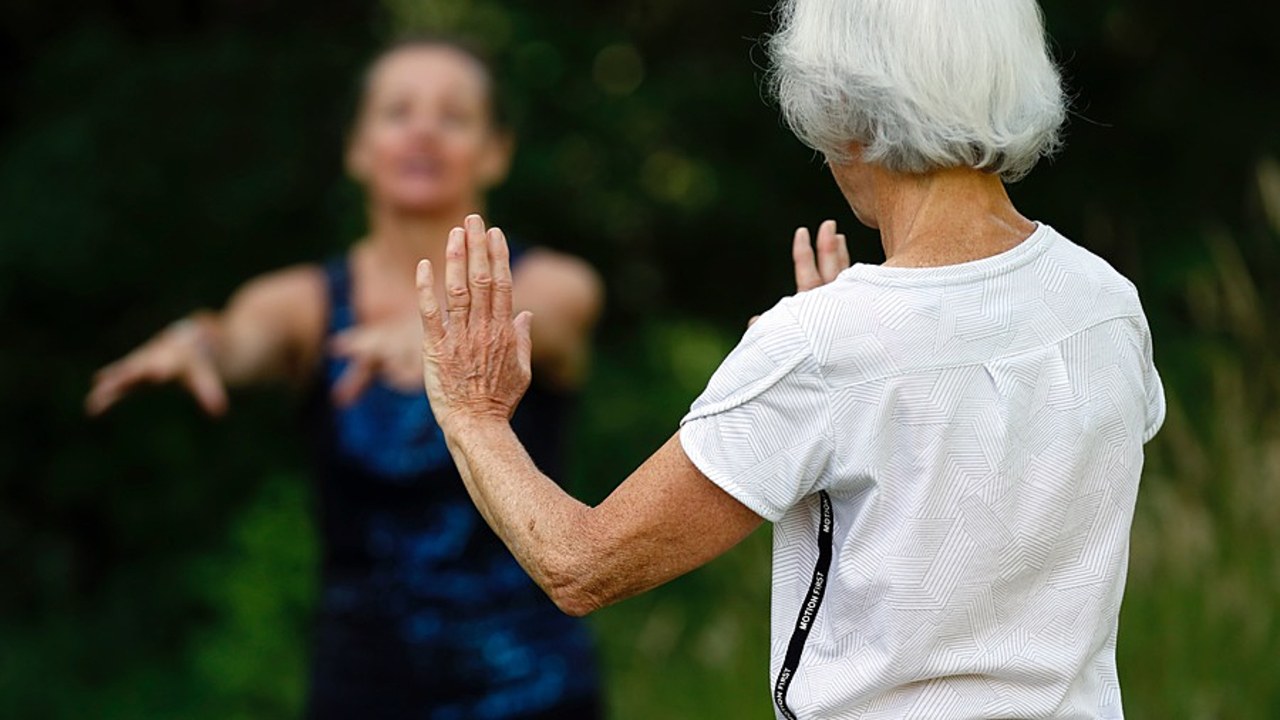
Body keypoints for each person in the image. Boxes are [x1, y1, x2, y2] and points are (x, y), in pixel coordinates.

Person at [408, 2, 1165, 719]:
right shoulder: (1107, 303)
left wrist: (473, 415)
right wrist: (845, 375)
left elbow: (582, 565)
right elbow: (996, 500)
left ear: (847, 113)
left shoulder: (821, 346)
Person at [86, 38, 605, 720]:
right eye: (397, 112)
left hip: (535, 690)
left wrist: (435, 326)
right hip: (362, 690)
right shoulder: (304, 302)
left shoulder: (553, 283)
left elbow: (553, 316)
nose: (423, 128)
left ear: (495, 151)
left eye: (453, 115)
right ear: (358, 147)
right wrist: (199, 342)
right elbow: (240, 337)